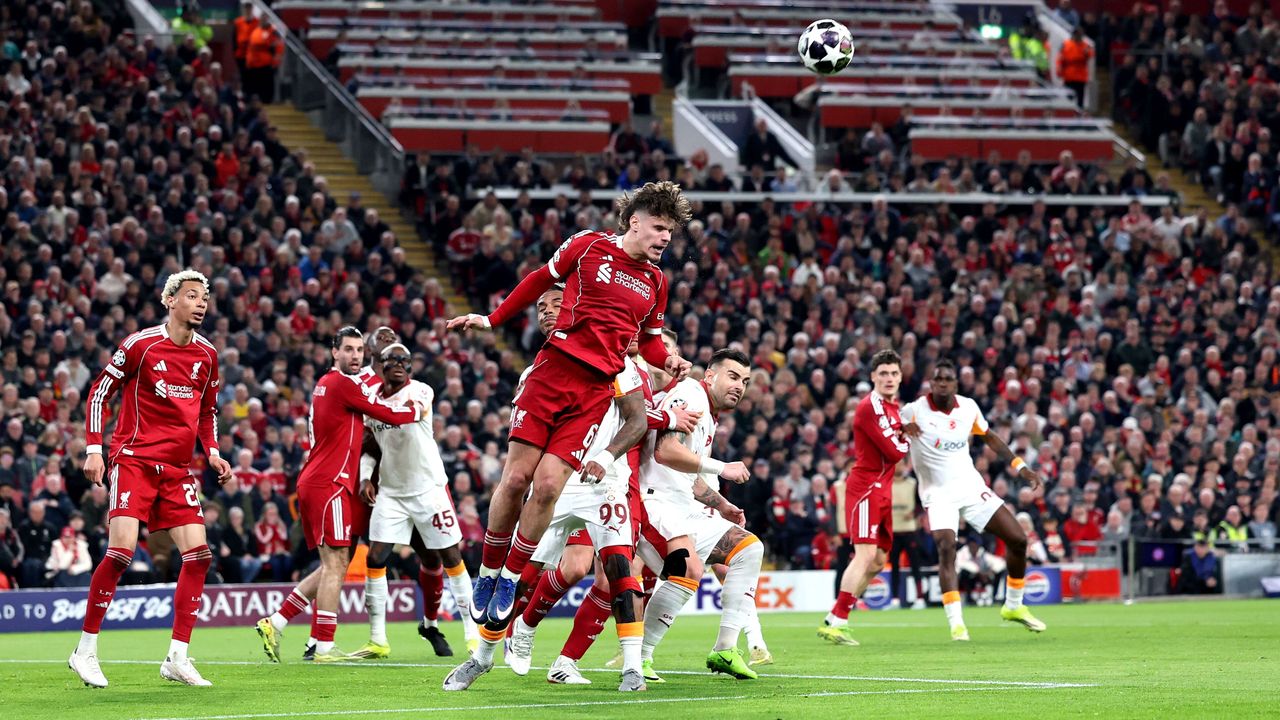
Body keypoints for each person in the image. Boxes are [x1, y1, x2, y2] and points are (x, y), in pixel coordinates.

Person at [442, 181, 691, 652]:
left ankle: (510, 578)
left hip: (595, 391)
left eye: (670, 232)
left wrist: (670, 360)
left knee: (548, 487)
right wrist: (492, 320)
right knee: (516, 479)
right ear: (634, 222)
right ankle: (488, 571)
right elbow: (540, 279)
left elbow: (651, 343)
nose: (665, 238)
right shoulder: (588, 245)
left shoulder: (657, 282)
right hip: (553, 371)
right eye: (659, 228)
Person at [501, 292, 700, 688]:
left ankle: (607, 662)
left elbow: (634, 418)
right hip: (569, 475)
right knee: (560, 566)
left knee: (616, 573)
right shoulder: (565, 364)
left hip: (619, 485)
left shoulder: (640, 374)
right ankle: (511, 631)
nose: (630, 332)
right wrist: (666, 417)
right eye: (541, 307)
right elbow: (626, 414)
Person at [68, 269, 233, 689]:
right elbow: (99, 393)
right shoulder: (140, 345)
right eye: (192, 296)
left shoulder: (207, 355)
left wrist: (213, 451)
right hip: (135, 460)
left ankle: (177, 657)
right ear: (170, 300)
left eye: (205, 298)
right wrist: (93, 448)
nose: (201, 303)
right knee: (120, 552)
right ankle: (84, 651)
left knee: (199, 556)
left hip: (177, 470)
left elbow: (208, 411)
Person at [291, 327, 425, 662]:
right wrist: (416, 411)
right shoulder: (343, 384)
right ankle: (322, 645)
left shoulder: (327, 383)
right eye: (348, 349)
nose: (354, 356)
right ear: (334, 352)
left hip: (323, 480)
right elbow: (386, 413)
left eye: (358, 350)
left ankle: (287, 625)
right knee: (336, 564)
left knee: (334, 562)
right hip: (332, 483)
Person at [898, 360, 1047, 640]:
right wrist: (902, 428)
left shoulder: (968, 407)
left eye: (948, 379)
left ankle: (1014, 606)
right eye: (938, 379)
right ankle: (957, 624)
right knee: (946, 548)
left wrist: (1021, 466)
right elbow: (889, 425)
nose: (943, 383)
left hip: (970, 487)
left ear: (956, 383)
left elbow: (990, 437)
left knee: (1018, 539)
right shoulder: (913, 410)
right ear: (931, 383)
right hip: (938, 494)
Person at [634, 349, 760, 682]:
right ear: (710, 375)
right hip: (654, 503)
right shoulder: (691, 394)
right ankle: (638, 658)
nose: (739, 386)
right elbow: (665, 451)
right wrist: (722, 468)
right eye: (733, 376)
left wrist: (721, 505)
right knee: (687, 570)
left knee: (749, 549)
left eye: (745, 381)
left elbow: (688, 475)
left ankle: (725, 649)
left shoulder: (708, 412)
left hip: (682, 506)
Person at [356, 342, 480, 660]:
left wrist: (373, 410)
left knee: (451, 557)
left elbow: (409, 414)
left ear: (411, 367)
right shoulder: (371, 400)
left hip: (428, 490)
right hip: (392, 493)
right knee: (375, 558)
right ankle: (377, 639)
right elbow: (370, 446)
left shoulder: (421, 391)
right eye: (392, 359)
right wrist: (365, 477)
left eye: (405, 360)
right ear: (381, 365)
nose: (399, 364)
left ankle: (472, 635)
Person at [818, 350, 910, 646]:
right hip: (866, 488)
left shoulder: (893, 408)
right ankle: (839, 620)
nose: (889, 378)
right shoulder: (871, 407)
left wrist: (905, 434)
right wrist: (909, 437)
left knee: (879, 560)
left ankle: (836, 614)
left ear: (901, 377)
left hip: (883, 489)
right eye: (883, 373)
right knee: (865, 555)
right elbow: (895, 451)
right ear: (873, 377)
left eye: (894, 373)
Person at [1057, 25, 1093, 108]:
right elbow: (1060, 59)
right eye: (1077, 34)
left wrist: (1086, 53)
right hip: (1069, 76)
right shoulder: (1066, 44)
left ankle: (1079, 114)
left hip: (1080, 77)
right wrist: (1059, 71)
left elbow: (1090, 55)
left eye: (1080, 34)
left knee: (1080, 101)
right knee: (1068, 100)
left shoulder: (1086, 46)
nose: (1078, 36)